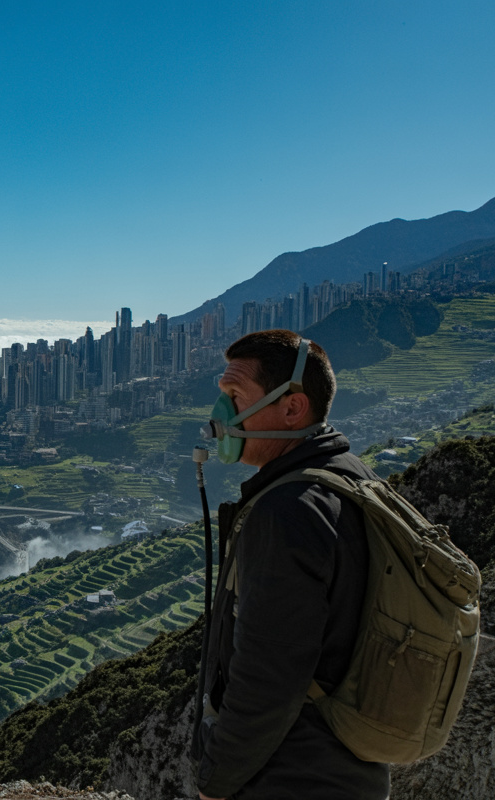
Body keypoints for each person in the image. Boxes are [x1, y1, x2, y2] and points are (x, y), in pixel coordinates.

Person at [192, 329, 389, 800]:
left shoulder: (289, 510)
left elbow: (268, 677)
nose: (221, 414)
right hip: (347, 771)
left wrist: (215, 781)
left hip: (291, 777)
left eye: (236, 396)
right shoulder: (350, 479)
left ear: (292, 407)